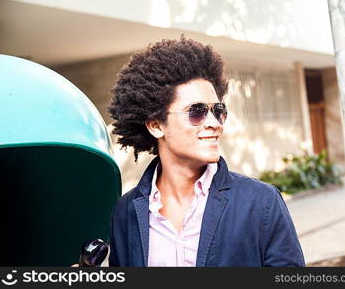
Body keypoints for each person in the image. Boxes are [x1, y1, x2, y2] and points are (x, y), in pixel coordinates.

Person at [107, 37, 305, 267]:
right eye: (197, 112)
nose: (214, 123)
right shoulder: (126, 211)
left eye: (218, 110)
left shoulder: (261, 202)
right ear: (156, 126)